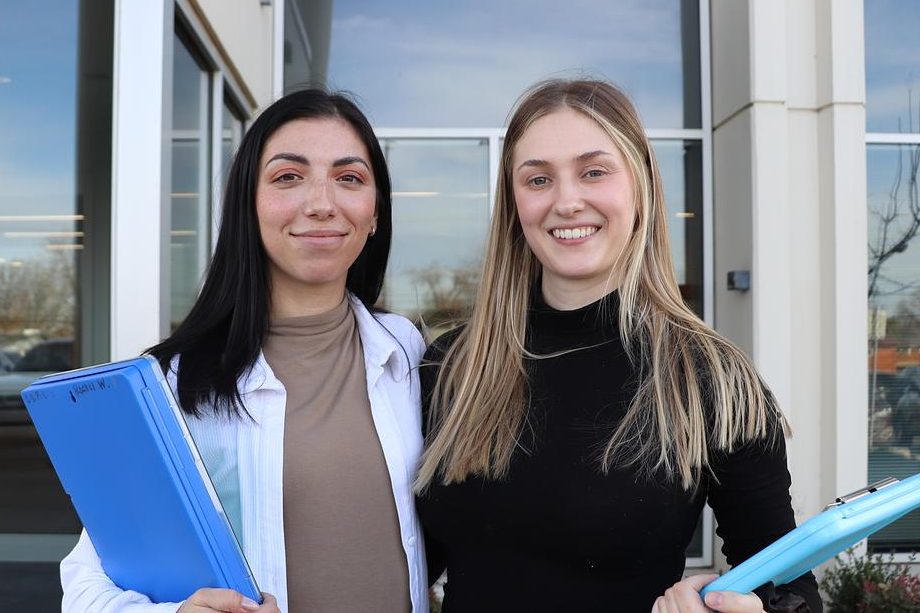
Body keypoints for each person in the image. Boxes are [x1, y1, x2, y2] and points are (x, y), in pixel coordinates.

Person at [414, 79, 822, 613]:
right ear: (514, 204)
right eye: (538, 179)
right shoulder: (452, 367)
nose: (566, 201)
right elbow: (405, 563)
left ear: (641, 186)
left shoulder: (710, 379)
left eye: (594, 171)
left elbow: (792, 594)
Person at [60, 89, 428, 613]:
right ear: (247, 207)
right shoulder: (174, 382)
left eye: (349, 178)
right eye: (287, 177)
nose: (321, 203)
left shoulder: (408, 353)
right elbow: (85, 581)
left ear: (374, 214)